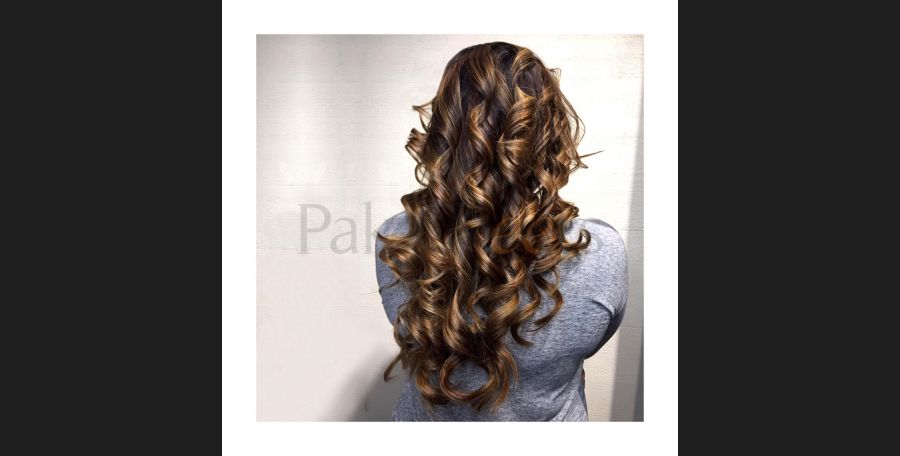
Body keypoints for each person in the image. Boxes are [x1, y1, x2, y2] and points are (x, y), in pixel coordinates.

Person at [374, 42, 627, 421]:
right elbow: (591, 339)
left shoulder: (396, 241)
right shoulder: (599, 252)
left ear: (445, 127)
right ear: (548, 130)